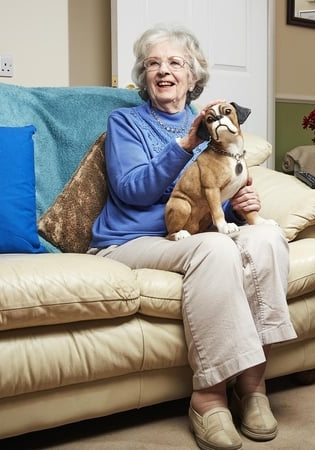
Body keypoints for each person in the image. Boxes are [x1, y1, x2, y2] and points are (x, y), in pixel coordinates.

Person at [89, 25, 296, 450]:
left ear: (193, 74)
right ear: (143, 75)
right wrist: (186, 143)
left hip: (199, 230)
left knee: (268, 240)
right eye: (153, 63)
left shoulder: (219, 126)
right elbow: (132, 190)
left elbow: (224, 182)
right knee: (216, 247)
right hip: (132, 239)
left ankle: (253, 386)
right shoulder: (126, 122)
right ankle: (209, 397)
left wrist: (243, 195)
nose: (164, 71)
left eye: (175, 63)